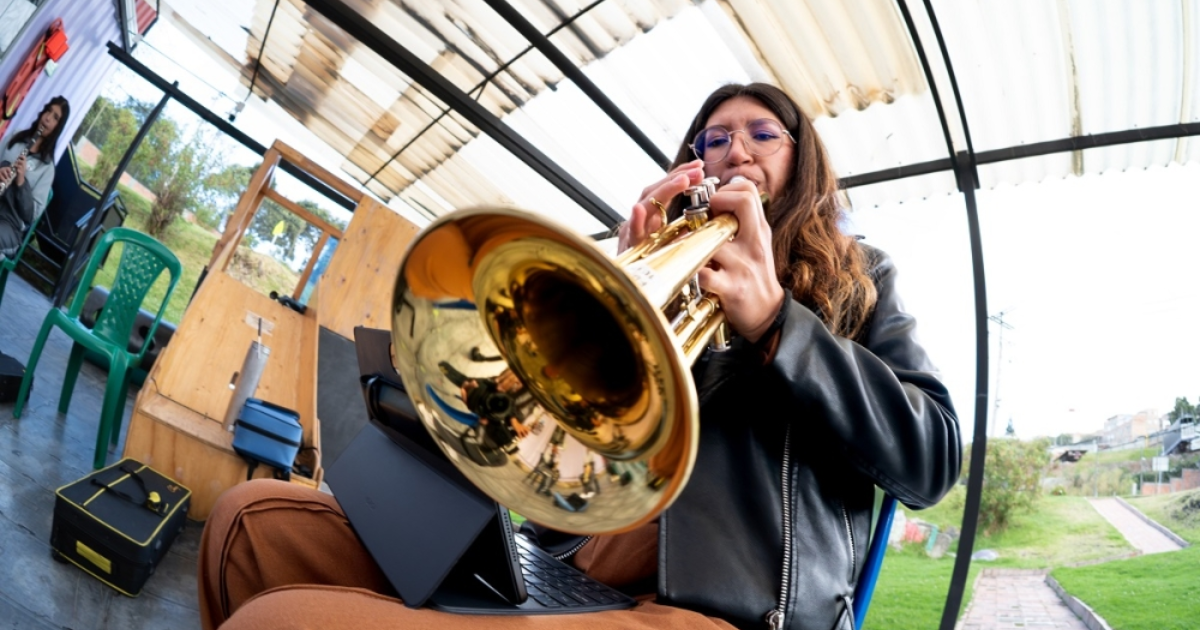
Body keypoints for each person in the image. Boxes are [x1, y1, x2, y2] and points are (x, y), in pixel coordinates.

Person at [197, 82, 961, 630]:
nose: (737, 148)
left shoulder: (857, 282)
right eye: (716, 136)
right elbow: (573, 467)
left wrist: (777, 325)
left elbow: (934, 456)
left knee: (283, 620)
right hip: (566, 565)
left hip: (717, 609)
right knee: (248, 528)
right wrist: (631, 296)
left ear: (804, 166)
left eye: (764, 133)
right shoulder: (672, 268)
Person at [0, 96, 69, 261]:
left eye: (55, 118)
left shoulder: (47, 168)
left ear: (57, 128)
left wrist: (21, 181)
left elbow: (31, 215)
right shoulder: (16, 137)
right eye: (48, 111)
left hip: (10, 225)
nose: (47, 118)